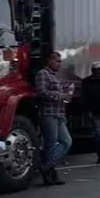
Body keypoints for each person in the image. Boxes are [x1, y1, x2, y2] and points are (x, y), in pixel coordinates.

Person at [35, 51, 73, 185]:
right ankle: (49, 171)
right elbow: (41, 92)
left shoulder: (54, 76)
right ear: (49, 61)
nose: (59, 64)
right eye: (57, 61)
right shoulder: (42, 74)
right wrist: (60, 96)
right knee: (50, 144)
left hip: (58, 113)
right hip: (48, 114)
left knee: (66, 141)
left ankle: (47, 166)